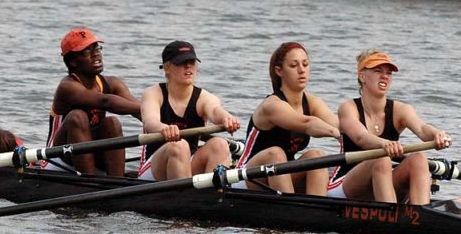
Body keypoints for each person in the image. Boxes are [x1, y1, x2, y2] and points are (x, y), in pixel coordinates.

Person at [327, 50, 451, 205]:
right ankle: (391, 219)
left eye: (389, 72)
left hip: (381, 181)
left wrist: (437, 134)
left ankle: (420, 215)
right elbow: (361, 137)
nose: (385, 76)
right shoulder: (348, 108)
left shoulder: (401, 110)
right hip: (345, 186)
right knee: (381, 158)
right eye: (378, 71)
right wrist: (385, 144)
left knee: (419, 159)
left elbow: (422, 129)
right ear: (362, 76)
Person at [236, 42, 340, 195]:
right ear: (279, 71)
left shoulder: (312, 102)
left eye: (305, 64)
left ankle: (316, 210)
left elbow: (339, 125)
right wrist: (336, 134)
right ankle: (290, 209)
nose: (301, 70)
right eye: (293, 66)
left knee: (316, 156)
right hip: (247, 177)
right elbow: (308, 123)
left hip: (281, 174)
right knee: (276, 154)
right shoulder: (272, 105)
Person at [137, 41, 240, 181]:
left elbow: (215, 110)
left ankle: (212, 197)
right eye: (181, 62)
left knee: (220, 144)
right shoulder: (153, 93)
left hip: (187, 166)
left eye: (192, 61)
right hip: (154, 169)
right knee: (179, 145)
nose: (188, 66)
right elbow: (150, 121)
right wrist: (164, 128)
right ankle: (185, 199)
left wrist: (227, 118)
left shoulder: (204, 97)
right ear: (167, 68)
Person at [47, 28, 142, 176]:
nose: (96, 54)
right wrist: (149, 106)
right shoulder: (67, 87)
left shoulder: (112, 83)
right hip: (60, 159)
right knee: (78, 116)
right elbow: (105, 102)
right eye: (87, 51)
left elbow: (140, 112)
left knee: (112, 123)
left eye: (96, 48)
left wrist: (167, 123)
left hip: (92, 155)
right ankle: (91, 182)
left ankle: (116, 181)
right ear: (73, 62)